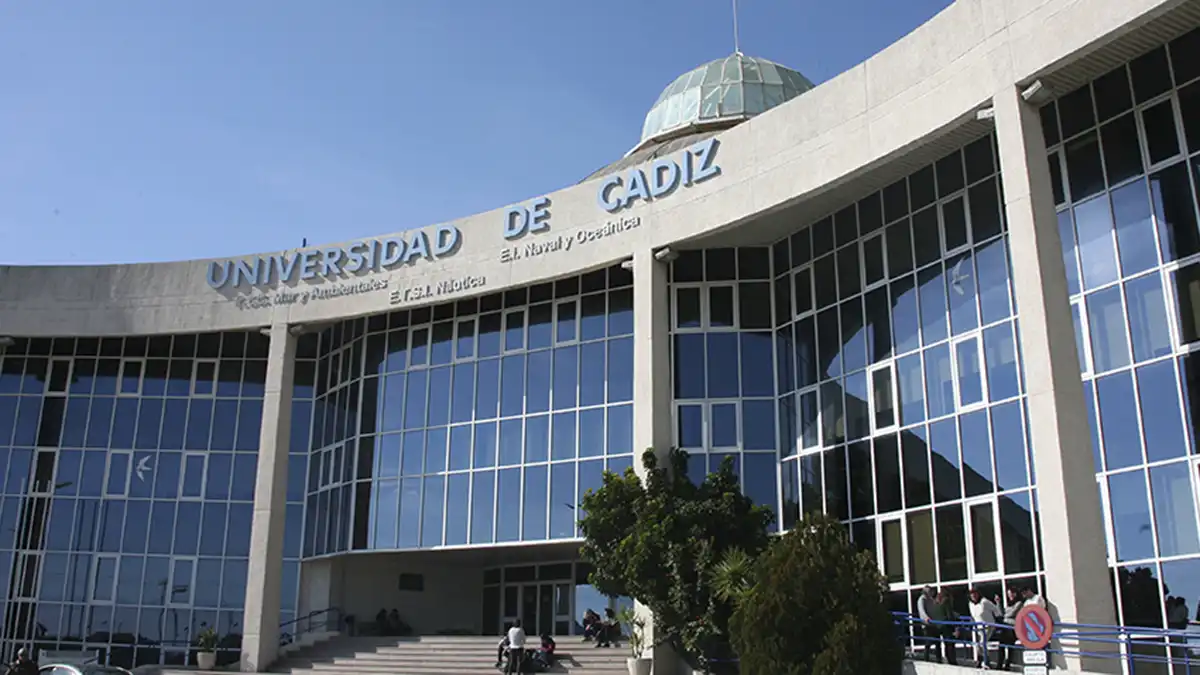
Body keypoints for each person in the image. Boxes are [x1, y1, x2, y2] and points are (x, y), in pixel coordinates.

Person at [969, 588, 1001, 668]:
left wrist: (998, 618)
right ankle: (981, 660)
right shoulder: (971, 604)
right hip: (979, 627)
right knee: (978, 645)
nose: (974, 597)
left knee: (982, 643)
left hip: (988, 626)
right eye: (972, 595)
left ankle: (986, 661)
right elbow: (973, 615)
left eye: (975, 594)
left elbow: (995, 609)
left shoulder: (984, 602)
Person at [996, 587, 1024, 670]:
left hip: (1012, 628)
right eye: (1008, 594)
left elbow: (1012, 613)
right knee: (1001, 646)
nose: (1010, 596)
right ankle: (999, 664)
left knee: (1010, 647)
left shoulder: (1019, 603)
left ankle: (1008, 665)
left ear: (1015, 594)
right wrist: (998, 603)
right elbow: (1001, 613)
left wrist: (1005, 615)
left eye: (1011, 594)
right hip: (1005, 627)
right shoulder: (1009, 604)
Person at [933, 590, 959, 666]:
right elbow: (949, 615)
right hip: (946, 625)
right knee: (949, 644)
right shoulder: (946, 601)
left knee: (939, 644)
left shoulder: (935, 602)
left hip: (937, 625)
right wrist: (955, 627)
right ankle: (952, 660)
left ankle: (939, 658)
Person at [917, 585, 940, 662]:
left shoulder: (930, 599)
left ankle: (938, 659)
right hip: (926, 624)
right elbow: (921, 610)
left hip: (933, 624)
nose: (930, 592)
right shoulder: (922, 599)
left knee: (937, 642)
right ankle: (926, 658)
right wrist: (926, 618)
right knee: (928, 643)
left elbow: (934, 609)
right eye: (928, 591)